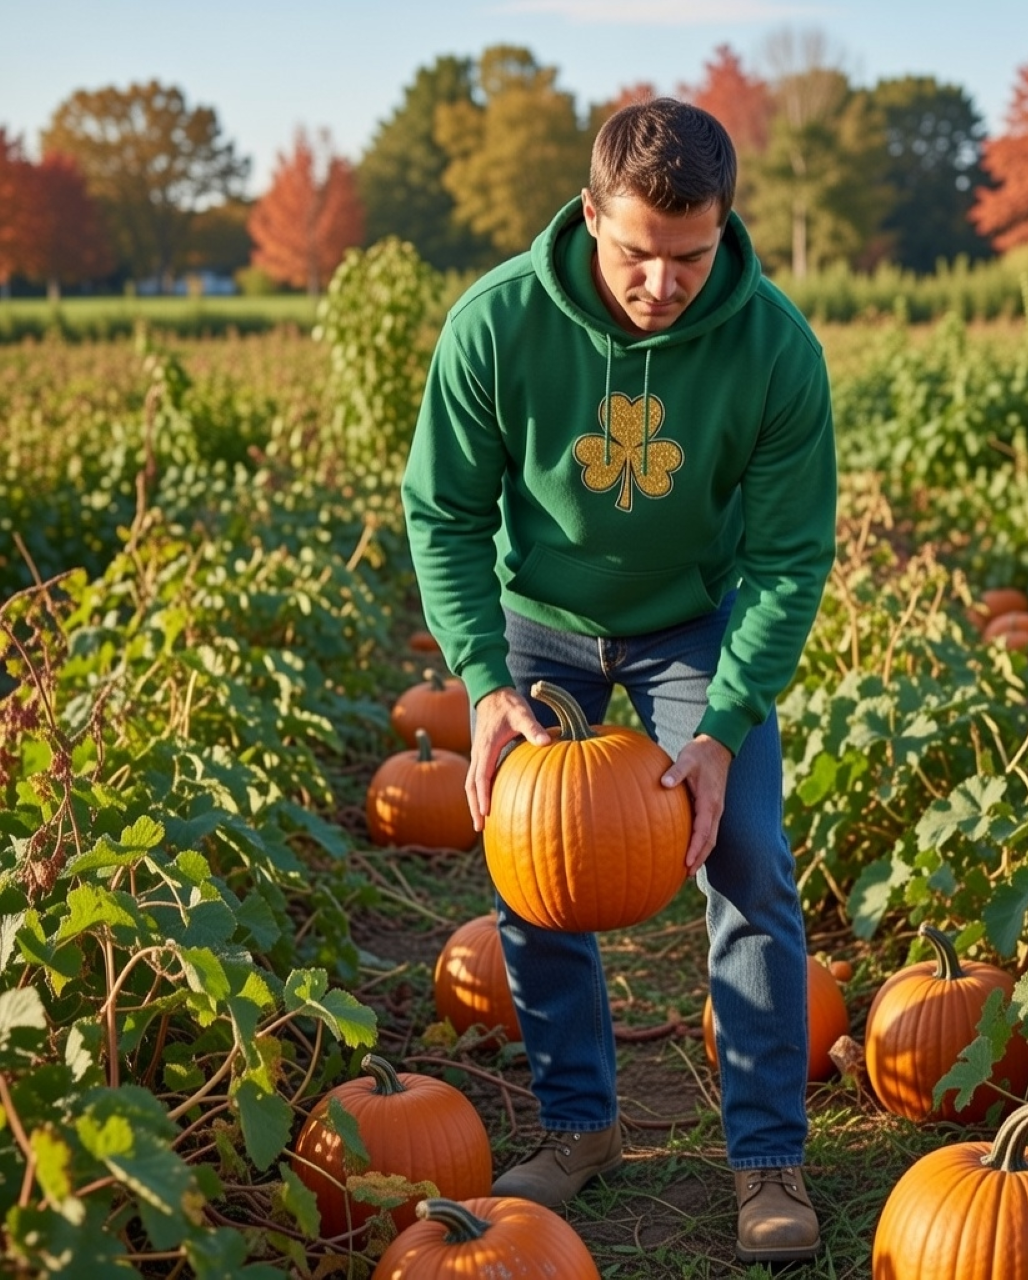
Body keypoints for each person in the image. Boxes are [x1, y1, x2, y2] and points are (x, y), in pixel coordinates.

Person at [400, 97, 837, 1264]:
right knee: (533, 860)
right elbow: (441, 509)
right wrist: (485, 682)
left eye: (689, 254)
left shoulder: (773, 347)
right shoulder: (494, 325)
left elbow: (788, 558)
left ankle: (764, 1154)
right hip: (538, 623)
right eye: (635, 248)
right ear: (590, 211)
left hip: (693, 621)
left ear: (725, 227)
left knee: (745, 850)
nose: (660, 280)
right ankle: (580, 1125)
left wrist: (723, 723)